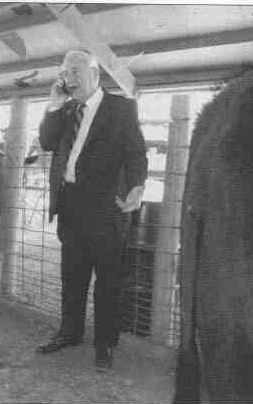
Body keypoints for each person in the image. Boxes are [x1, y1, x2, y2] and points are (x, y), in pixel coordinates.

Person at [36, 50, 148, 371]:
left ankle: (105, 344)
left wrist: (137, 187)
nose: (69, 77)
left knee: (108, 281)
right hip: (70, 206)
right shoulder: (66, 109)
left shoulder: (121, 108)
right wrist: (54, 104)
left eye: (75, 70)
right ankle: (70, 333)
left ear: (95, 74)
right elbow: (46, 142)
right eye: (64, 72)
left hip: (105, 210)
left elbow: (137, 153)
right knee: (72, 276)